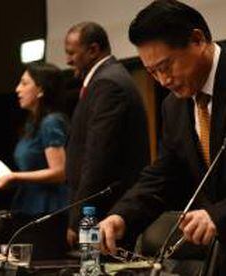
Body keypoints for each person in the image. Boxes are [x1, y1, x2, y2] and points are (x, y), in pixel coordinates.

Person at [99, 1, 226, 275]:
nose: (163, 80)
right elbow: (166, 174)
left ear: (197, 40)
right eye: (152, 72)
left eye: (166, 66)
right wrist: (122, 215)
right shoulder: (174, 105)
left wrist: (219, 215)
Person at [64, 22, 150, 246]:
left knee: (95, 269)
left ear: (93, 50)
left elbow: (98, 159)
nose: (68, 60)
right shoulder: (104, 80)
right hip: (99, 209)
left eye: (72, 53)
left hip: (102, 212)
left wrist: (80, 218)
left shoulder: (107, 83)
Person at [0, 62, 69, 217]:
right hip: (28, 204)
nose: (18, 89)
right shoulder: (32, 124)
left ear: (41, 90)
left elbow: (60, 172)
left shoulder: (51, 122)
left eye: (24, 83)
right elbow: (31, 174)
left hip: (48, 207)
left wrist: (14, 176)